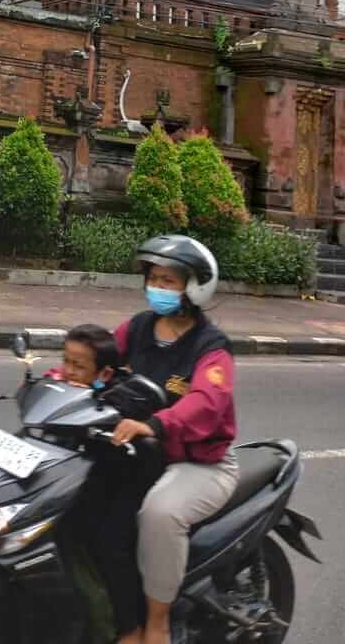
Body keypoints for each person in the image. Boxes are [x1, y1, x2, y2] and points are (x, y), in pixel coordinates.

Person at [107, 235, 238, 644]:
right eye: (154, 279)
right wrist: (61, 379)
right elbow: (100, 362)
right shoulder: (138, 328)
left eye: (169, 281)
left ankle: (158, 622)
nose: (158, 288)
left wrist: (156, 424)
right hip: (143, 453)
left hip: (200, 463)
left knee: (160, 513)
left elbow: (205, 404)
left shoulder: (211, 347)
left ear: (194, 286)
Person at [48, 323, 120, 389]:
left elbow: (101, 387)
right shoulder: (57, 376)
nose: (69, 371)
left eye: (79, 366)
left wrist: (93, 390)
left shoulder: (114, 395)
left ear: (105, 374)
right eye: (65, 361)